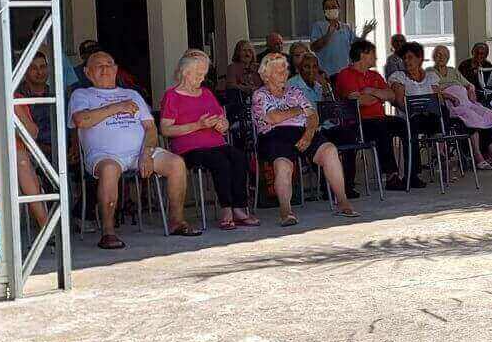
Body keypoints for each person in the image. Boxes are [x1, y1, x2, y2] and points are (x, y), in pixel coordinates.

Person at [70, 51, 200, 248]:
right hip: (105, 156)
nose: (105, 69)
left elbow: (150, 128)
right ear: (88, 73)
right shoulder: (81, 95)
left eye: (109, 64)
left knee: (176, 163)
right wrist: (117, 107)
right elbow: (81, 120)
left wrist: (146, 153)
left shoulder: (132, 94)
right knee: (109, 170)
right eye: (99, 66)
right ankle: (108, 232)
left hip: (140, 152)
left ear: (116, 69)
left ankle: (177, 221)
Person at [251, 52, 358, 225]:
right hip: (274, 135)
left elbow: (313, 115)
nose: (284, 74)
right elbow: (273, 117)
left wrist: (308, 135)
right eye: (279, 71)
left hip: (303, 131)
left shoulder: (295, 91)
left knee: (330, 151)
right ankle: (286, 211)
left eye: (285, 70)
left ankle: (342, 202)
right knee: (283, 165)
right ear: (266, 75)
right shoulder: (260, 95)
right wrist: (299, 110)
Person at [160, 50, 259, 230]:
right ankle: (226, 211)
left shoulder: (206, 93)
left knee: (238, 157)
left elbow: (222, 118)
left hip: (216, 143)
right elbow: (166, 129)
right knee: (220, 162)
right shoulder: (172, 96)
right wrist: (198, 125)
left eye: (204, 74)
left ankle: (239, 208)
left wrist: (223, 124)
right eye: (198, 74)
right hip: (189, 149)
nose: (202, 78)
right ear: (185, 72)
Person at [331, 39, 412, 192]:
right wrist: (379, 96)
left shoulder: (374, 75)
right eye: (373, 53)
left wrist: (372, 91)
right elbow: (357, 101)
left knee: (404, 124)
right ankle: (391, 175)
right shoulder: (345, 74)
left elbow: (392, 96)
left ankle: (411, 174)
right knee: (381, 127)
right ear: (363, 55)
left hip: (379, 119)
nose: (376, 57)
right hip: (358, 122)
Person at [389, 41, 474, 184]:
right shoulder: (399, 77)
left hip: (429, 117)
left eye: (410, 57)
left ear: (419, 59)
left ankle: (440, 151)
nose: (406, 61)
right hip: (410, 118)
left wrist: (438, 100)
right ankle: (415, 173)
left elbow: (438, 97)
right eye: (404, 58)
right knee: (412, 128)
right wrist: (418, 106)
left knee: (443, 111)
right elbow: (400, 102)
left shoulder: (430, 76)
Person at [432, 45, 492, 169]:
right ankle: (478, 156)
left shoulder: (453, 70)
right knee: (472, 116)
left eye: (444, 55)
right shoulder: (430, 72)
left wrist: (471, 91)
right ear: (434, 56)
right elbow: (433, 91)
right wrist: (451, 96)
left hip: (466, 101)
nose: (441, 57)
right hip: (451, 104)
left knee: (488, 113)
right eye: (438, 54)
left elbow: (469, 85)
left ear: (448, 57)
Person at [12, 53, 57, 228]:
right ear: (24, 71)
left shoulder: (56, 94)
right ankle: (50, 225)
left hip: (57, 148)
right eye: (33, 68)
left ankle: (69, 220)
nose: (39, 72)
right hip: (34, 150)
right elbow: (30, 133)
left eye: (43, 67)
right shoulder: (18, 95)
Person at [310, 0, 377, 77]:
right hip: (327, 73)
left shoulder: (346, 27)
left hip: (346, 72)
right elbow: (314, 47)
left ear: (339, 9)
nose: (331, 10)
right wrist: (329, 33)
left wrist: (364, 33)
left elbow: (355, 45)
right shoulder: (318, 26)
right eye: (327, 8)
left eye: (334, 7)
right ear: (324, 11)